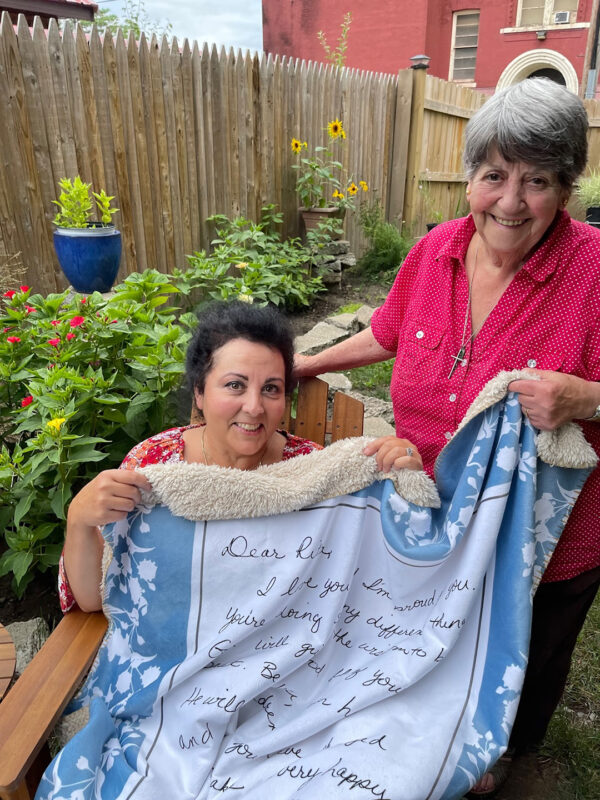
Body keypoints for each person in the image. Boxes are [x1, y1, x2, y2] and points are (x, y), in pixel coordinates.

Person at [295, 77, 600, 796]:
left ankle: (507, 748)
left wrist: (585, 396)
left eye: (537, 181)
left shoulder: (594, 270)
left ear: (567, 188)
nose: (510, 201)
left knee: (532, 647)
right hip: (432, 511)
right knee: (441, 636)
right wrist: (304, 361)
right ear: (470, 176)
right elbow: (386, 331)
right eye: (494, 176)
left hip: (549, 538)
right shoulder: (435, 251)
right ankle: (440, 726)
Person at [60, 299, 421, 614]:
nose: (254, 407)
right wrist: (78, 518)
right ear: (199, 393)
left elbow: (374, 570)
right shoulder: (153, 464)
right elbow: (96, 599)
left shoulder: (314, 472)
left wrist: (401, 480)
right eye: (235, 385)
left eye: (271, 389)